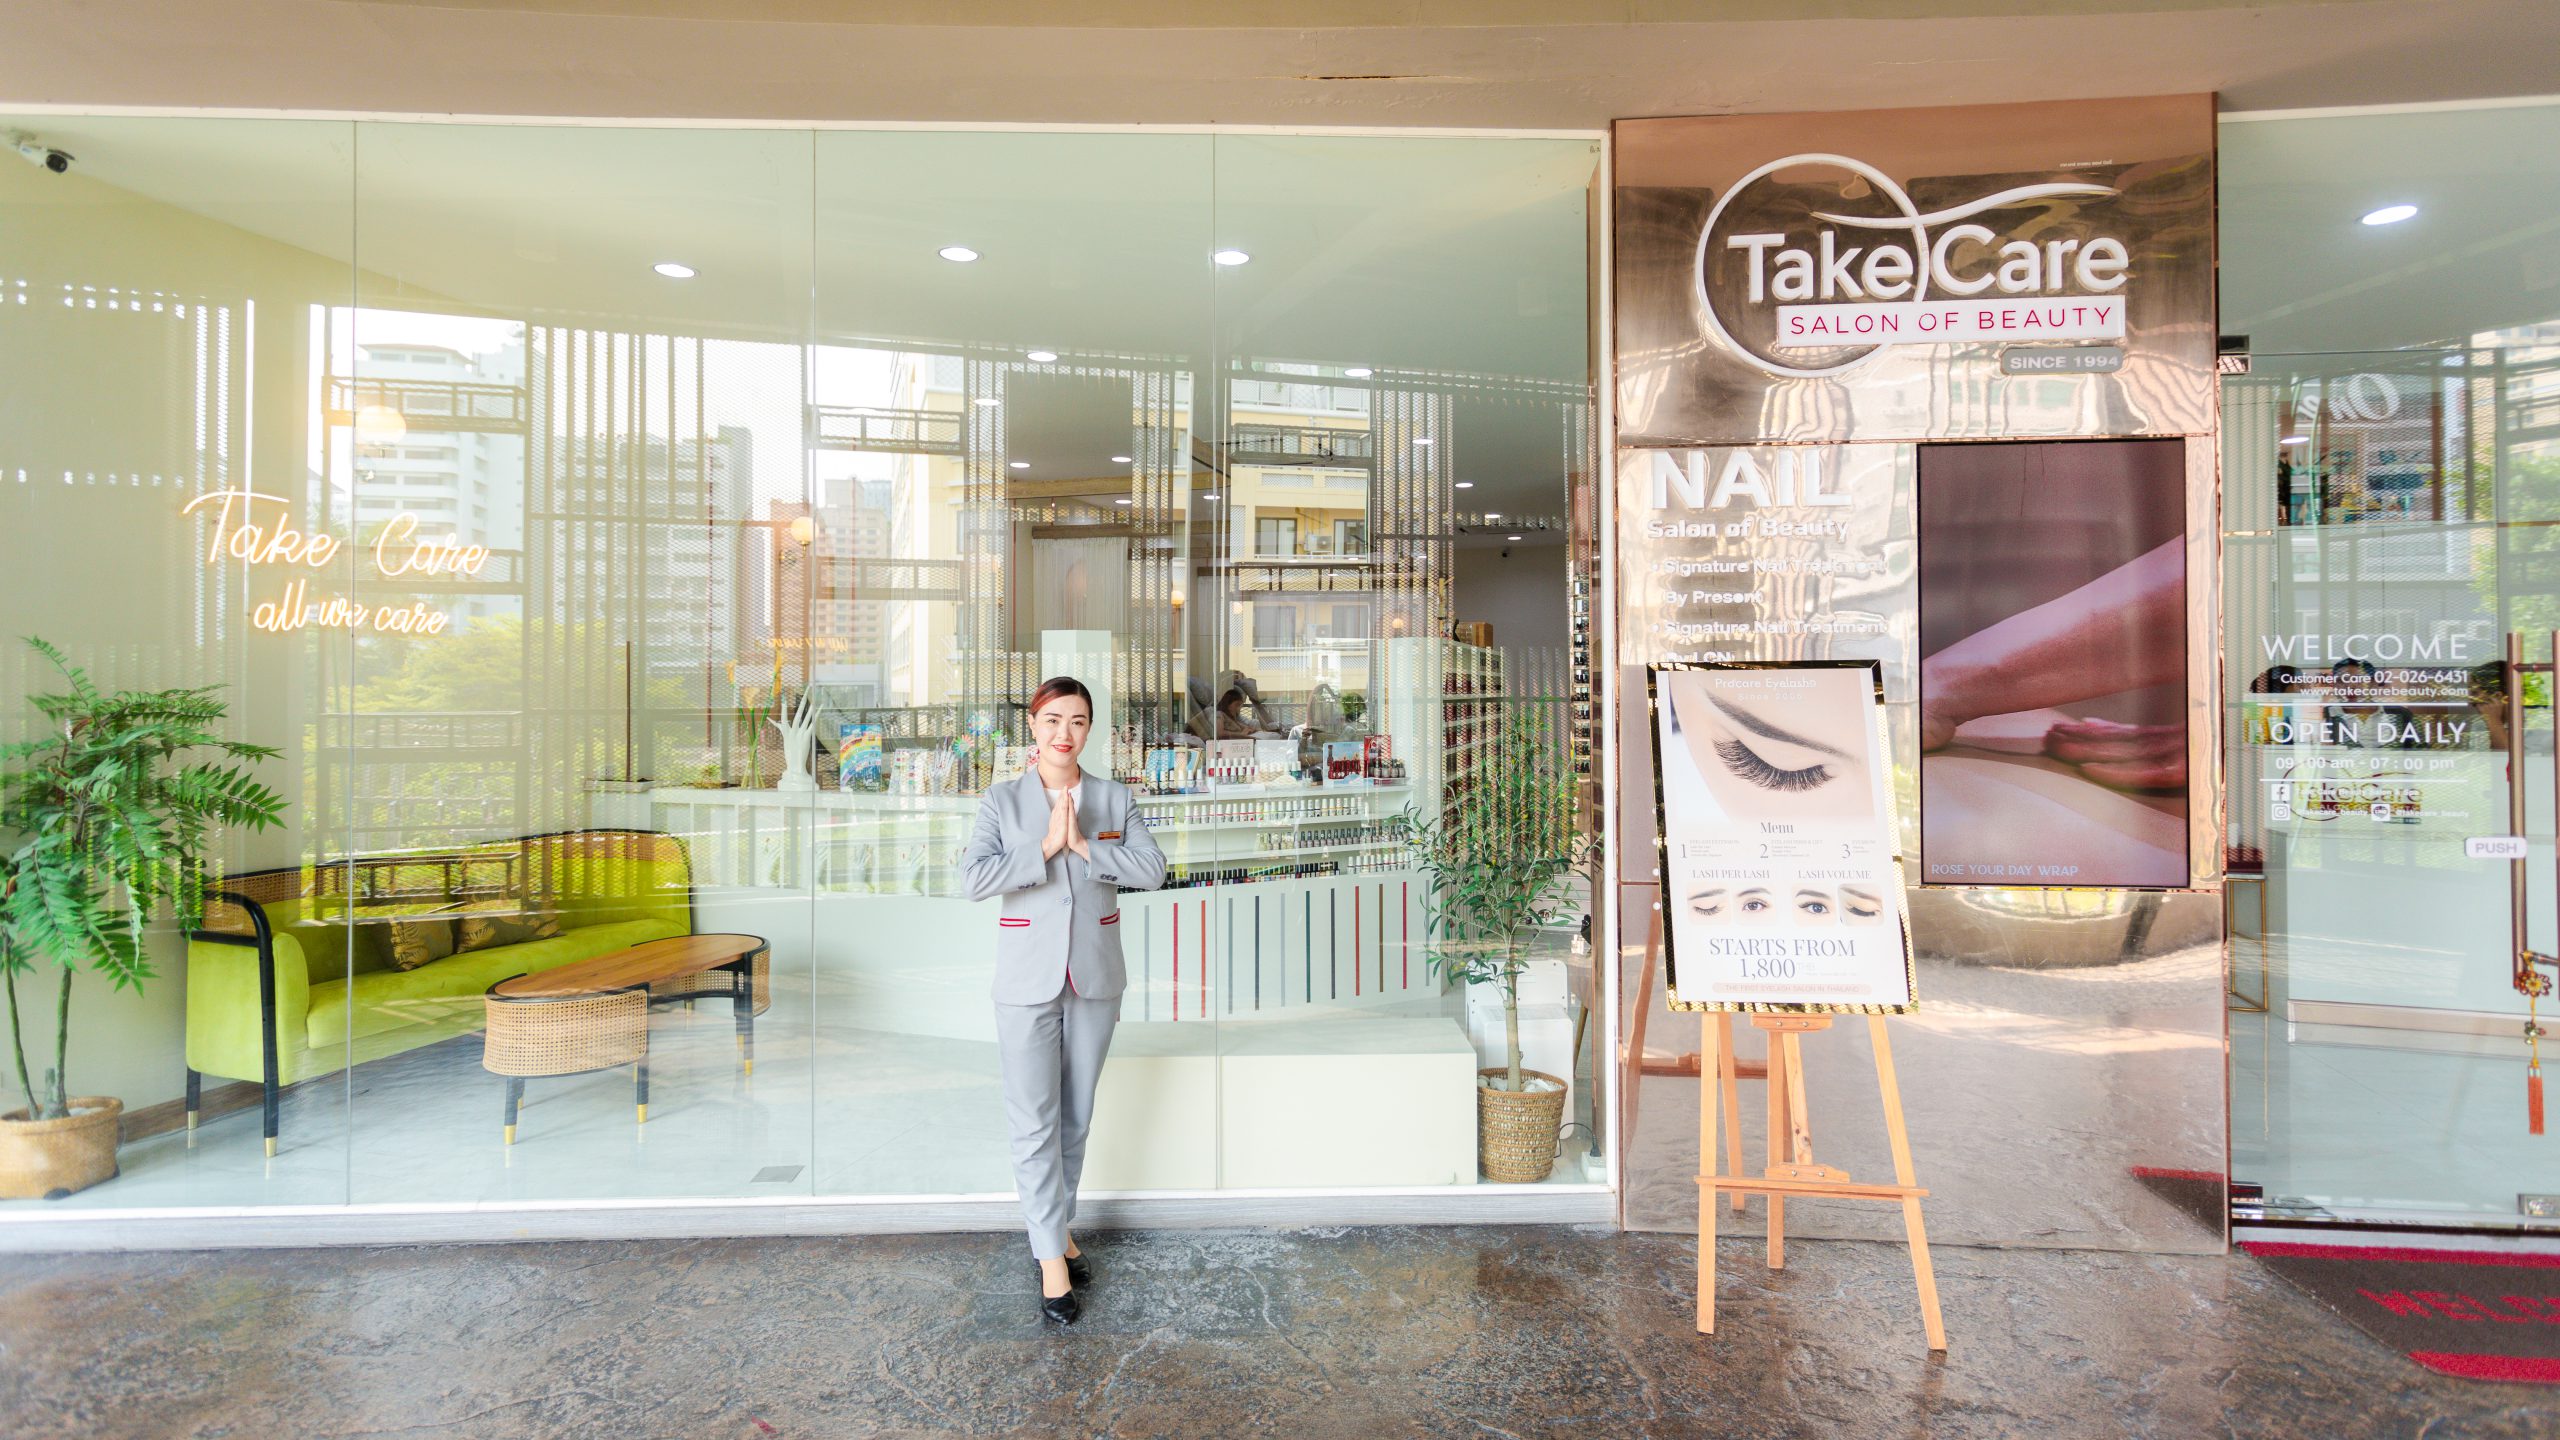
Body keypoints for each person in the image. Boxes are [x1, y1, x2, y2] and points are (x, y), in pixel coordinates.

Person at [959, 675, 1166, 1327]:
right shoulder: (1001, 801)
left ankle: (1058, 1230)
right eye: (1051, 720)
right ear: (1033, 725)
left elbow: (1152, 870)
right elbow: (973, 880)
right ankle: (1051, 1257)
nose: (1063, 733)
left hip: (1095, 979)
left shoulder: (1113, 799)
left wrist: (1083, 844)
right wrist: (1046, 847)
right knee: (1033, 1120)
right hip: (1026, 981)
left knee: (1074, 1117)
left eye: (1076, 721)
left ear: (1089, 729)